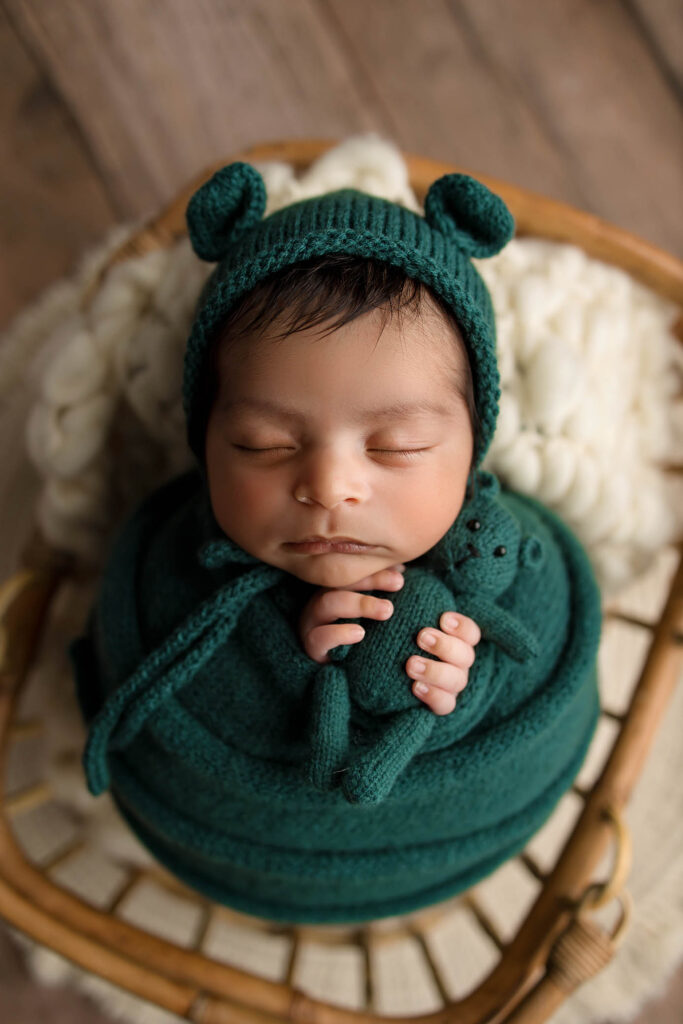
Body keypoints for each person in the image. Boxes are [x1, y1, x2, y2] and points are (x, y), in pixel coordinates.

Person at [71, 163, 602, 922]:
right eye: (261, 443)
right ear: (205, 442)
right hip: (216, 846)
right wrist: (293, 657)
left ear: (472, 449)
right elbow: (155, 656)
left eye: (395, 445)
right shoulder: (174, 567)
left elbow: (539, 652)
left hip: (470, 834)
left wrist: (462, 677)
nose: (329, 485)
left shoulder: (505, 555)